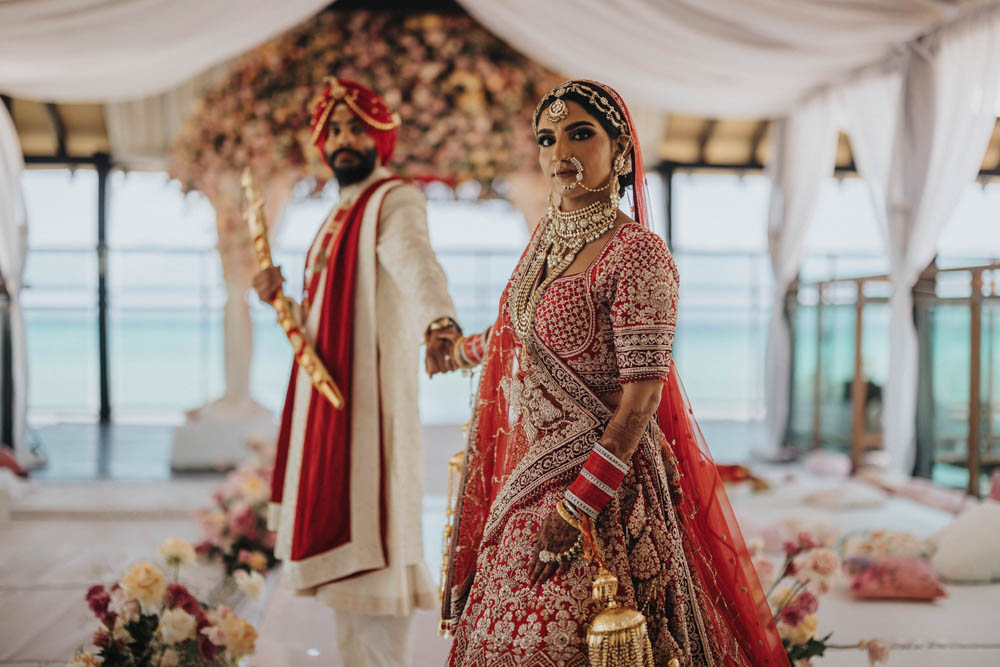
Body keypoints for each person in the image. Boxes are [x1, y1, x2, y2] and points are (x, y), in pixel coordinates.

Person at [439, 80, 789, 666]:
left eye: (581, 134)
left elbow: (641, 401)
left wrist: (580, 505)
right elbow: (515, 331)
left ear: (620, 150)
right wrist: (454, 350)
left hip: (603, 487)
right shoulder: (545, 243)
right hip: (531, 480)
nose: (560, 153)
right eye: (547, 139)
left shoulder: (637, 253)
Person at [254, 76, 460, 667]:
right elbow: (321, 319)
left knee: (378, 547)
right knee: (351, 571)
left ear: (380, 137)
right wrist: (280, 302)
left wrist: (439, 319)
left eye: (355, 128)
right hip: (331, 393)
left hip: (369, 398)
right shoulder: (338, 213)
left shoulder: (392, 201)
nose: (343, 139)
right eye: (334, 130)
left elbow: (415, 261)